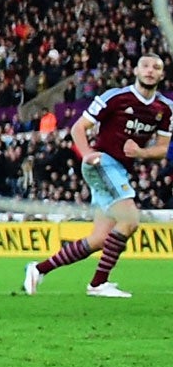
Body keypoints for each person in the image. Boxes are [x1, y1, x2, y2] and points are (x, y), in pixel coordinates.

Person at [25, 53, 168, 300]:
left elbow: (164, 148)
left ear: (162, 75)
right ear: (135, 70)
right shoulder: (115, 97)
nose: (150, 70)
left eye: (156, 67)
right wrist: (88, 153)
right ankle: (98, 283)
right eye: (145, 65)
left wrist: (142, 152)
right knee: (131, 219)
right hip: (103, 162)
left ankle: (39, 269)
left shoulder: (164, 109)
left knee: (100, 238)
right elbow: (78, 127)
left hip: (120, 170)